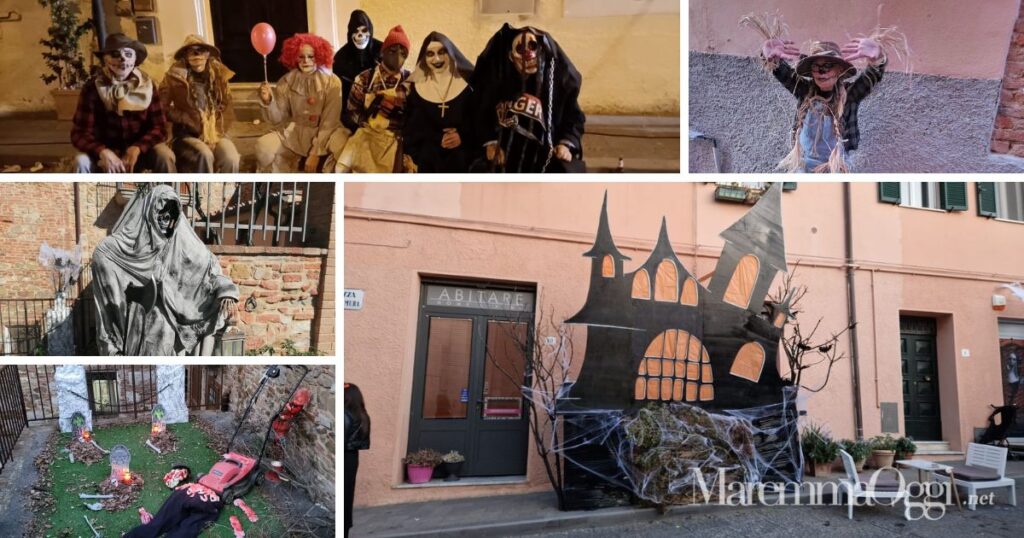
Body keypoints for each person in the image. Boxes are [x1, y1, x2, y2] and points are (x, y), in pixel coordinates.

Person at [91, 185, 238, 355]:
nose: (164, 220)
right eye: (160, 213)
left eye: (170, 216)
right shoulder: (120, 247)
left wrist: (226, 290)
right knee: (157, 331)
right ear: (149, 212)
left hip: (172, 316)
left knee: (164, 331)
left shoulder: (179, 240)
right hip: (139, 318)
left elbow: (208, 266)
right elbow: (105, 256)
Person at [470, 24, 585, 173]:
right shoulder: (497, 80)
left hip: (545, 154)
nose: (529, 56)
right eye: (520, 49)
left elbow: (574, 117)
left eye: (533, 46)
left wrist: (566, 145)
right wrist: (490, 143)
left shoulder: (557, 83)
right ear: (511, 56)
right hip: (505, 153)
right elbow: (480, 112)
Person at [761, 37, 886, 173]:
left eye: (828, 66)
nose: (822, 72)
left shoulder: (850, 95)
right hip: (805, 166)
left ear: (839, 70)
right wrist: (771, 58)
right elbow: (781, 72)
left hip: (836, 165)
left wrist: (878, 60)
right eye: (816, 66)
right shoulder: (804, 90)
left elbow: (870, 78)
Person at [71, 33, 175, 173]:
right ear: (105, 59)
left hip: (140, 152)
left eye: (128, 54)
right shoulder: (92, 88)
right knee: (81, 162)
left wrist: (137, 148)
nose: (122, 59)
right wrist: (103, 151)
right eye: (115, 54)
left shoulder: (147, 86)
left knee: (165, 156)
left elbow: (160, 128)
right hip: (103, 153)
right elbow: (80, 133)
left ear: (135, 59)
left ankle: (168, 194)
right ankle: (83, 193)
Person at [256, 33, 347, 173]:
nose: (306, 61)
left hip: (327, 133)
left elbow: (330, 121)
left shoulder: (332, 82)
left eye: (311, 56)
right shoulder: (286, 81)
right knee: (263, 145)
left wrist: (315, 153)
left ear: (319, 56)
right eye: (301, 56)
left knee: (344, 147)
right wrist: (268, 101)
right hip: (295, 132)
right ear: (294, 57)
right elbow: (277, 119)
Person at [337, 25, 413, 173]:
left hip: (396, 140)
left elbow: (415, 117)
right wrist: (369, 120)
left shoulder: (411, 82)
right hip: (367, 136)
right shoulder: (364, 79)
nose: (398, 56)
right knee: (342, 169)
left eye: (403, 52)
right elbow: (352, 111)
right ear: (383, 52)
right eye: (392, 51)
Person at [159, 35, 240, 173]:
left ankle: (227, 192)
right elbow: (161, 106)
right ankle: (204, 193)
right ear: (185, 55)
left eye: (201, 50)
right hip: (187, 135)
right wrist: (185, 118)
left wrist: (216, 133)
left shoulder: (218, 75)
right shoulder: (174, 77)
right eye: (191, 51)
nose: (197, 55)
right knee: (204, 154)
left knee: (231, 157)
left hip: (215, 134)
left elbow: (227, 107)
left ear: (208, 54)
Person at [403, 32, 477, 173]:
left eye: (442, 52)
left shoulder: (469, 85)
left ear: (450, 53)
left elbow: (479, 120)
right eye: (430, 54)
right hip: (429, 159)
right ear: (424, 58)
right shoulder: (416, 87)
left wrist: (461, 135)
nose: (436, 59)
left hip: (463, 157)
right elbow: (413, 127)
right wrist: (437, 138)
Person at [333, 9, 383, 111]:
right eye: (355, 31)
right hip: (351, 108)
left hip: (380, 108)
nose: (360, 35)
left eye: (364, 31)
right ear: (350, 33)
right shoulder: (341, 57)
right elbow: (339, 91)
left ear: (370, 30)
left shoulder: (381, 50)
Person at [345, 383, 371, 538]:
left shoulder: (346, 415)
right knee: (347, 498)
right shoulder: (362, 415)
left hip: (345, 457)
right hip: (352, 458)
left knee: (345, 497)